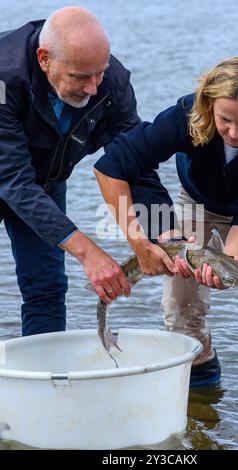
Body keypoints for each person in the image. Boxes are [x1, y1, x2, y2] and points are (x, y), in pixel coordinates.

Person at [93, 56, 238, 386]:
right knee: (180, 307)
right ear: (208, 104)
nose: (234, 132)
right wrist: (141, 242)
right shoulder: (186, 116)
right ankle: (203, 392)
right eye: (225, 120)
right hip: (200, 199)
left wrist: (227, 261)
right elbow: (111, 166)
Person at [0, 5, 148, 336]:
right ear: (44, 59)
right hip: (12, 175)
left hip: (46, 183)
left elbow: (133, 161)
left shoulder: (112, 82)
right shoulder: (3, 76)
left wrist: (160, 233)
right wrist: (90, 253)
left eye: (99, 74)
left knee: (46, 291)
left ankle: (44, 381)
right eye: (80, 77)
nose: (94, 87)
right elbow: (13, 181)